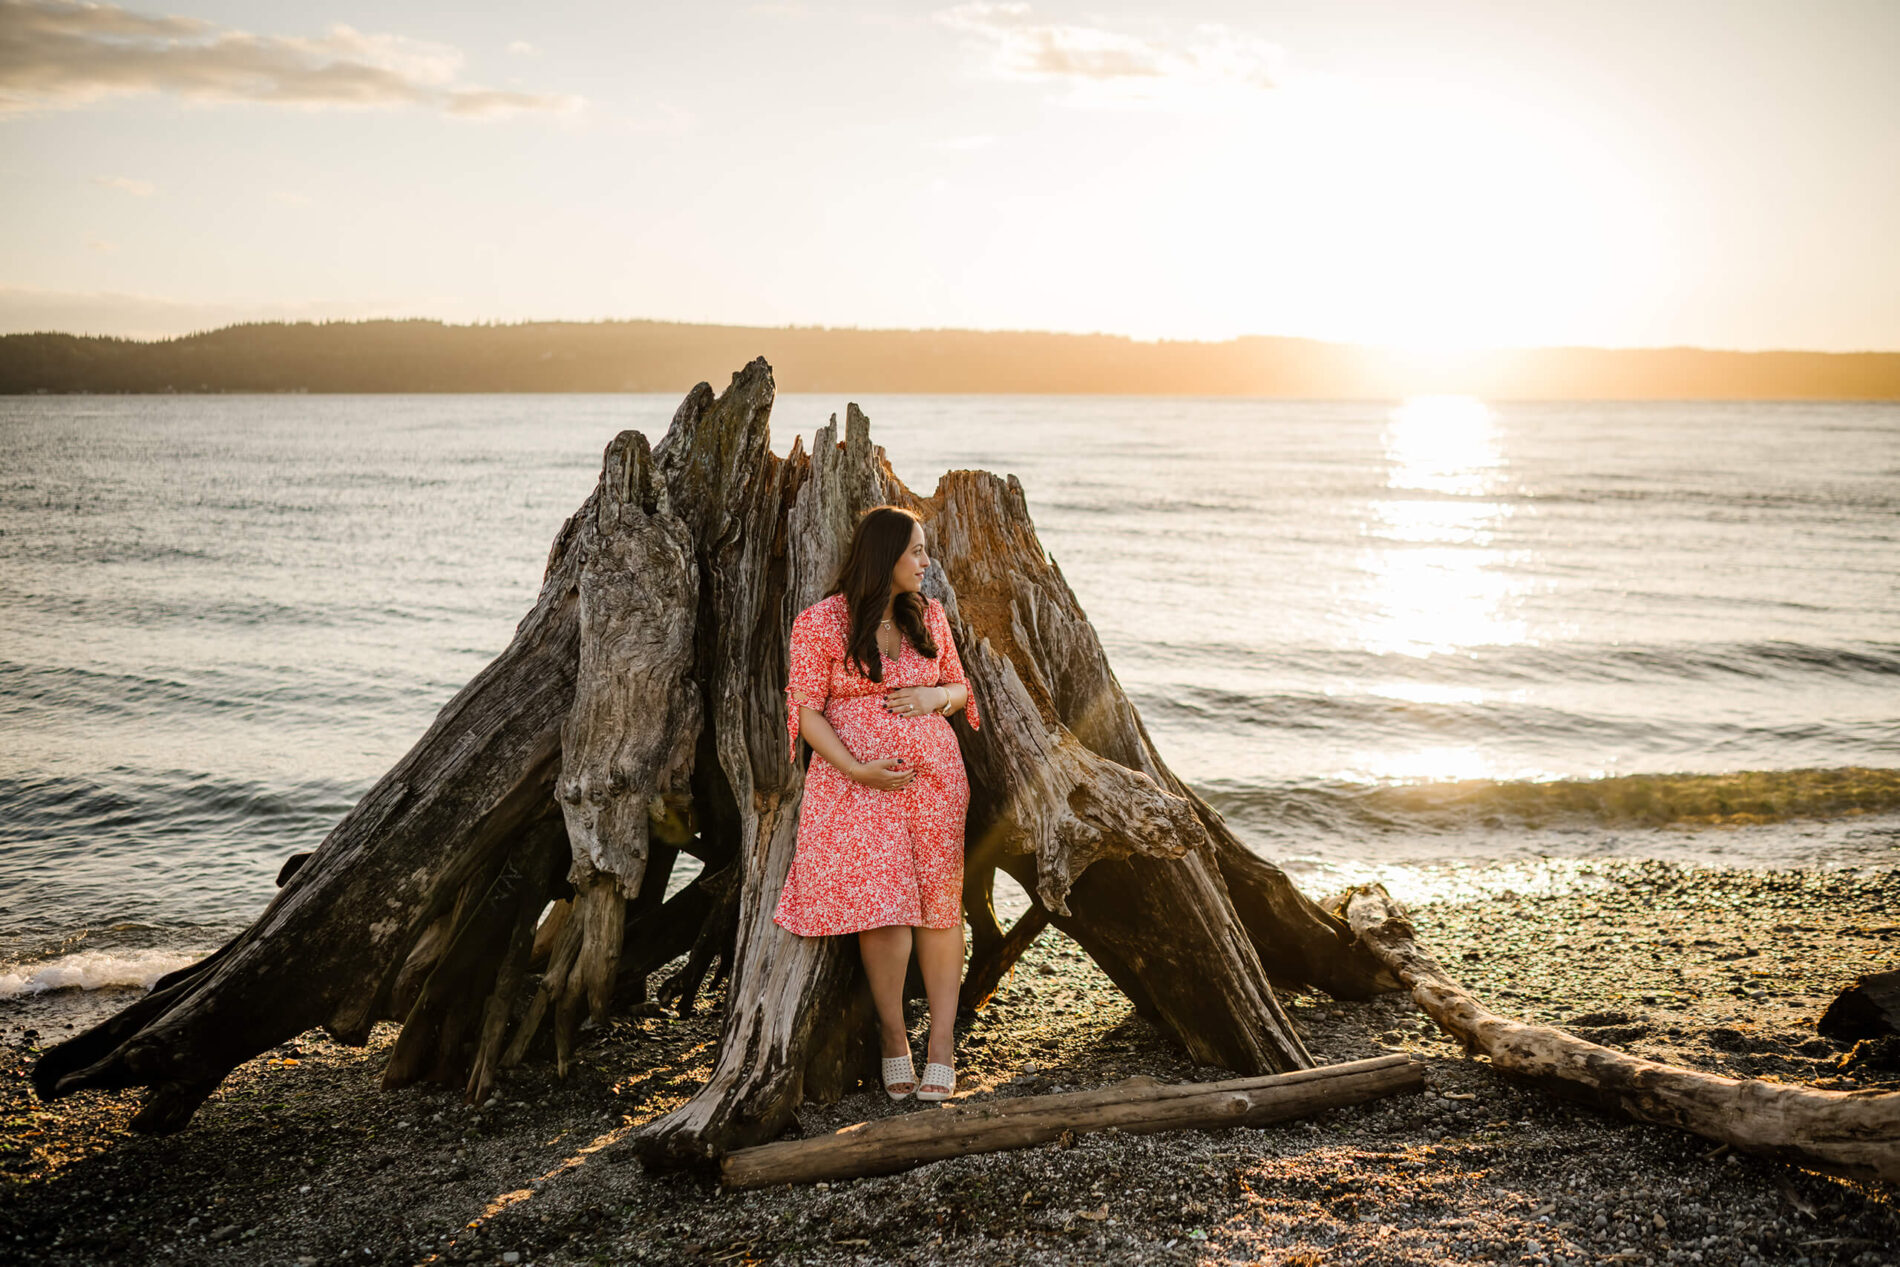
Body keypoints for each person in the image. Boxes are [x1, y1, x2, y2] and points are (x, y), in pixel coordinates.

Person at [774, 505, 979, 1102]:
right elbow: (807, 711)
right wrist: (858, 768)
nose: (926, 561)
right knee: (884, 910)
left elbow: (963, 688)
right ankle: (896, 1039)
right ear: (883, 555)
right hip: (857, 784)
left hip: (934, 781)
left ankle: (941, 1045)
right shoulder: (821, 623)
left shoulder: (930, 618)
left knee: (940, 909)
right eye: (916, 550)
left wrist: (934, 694)